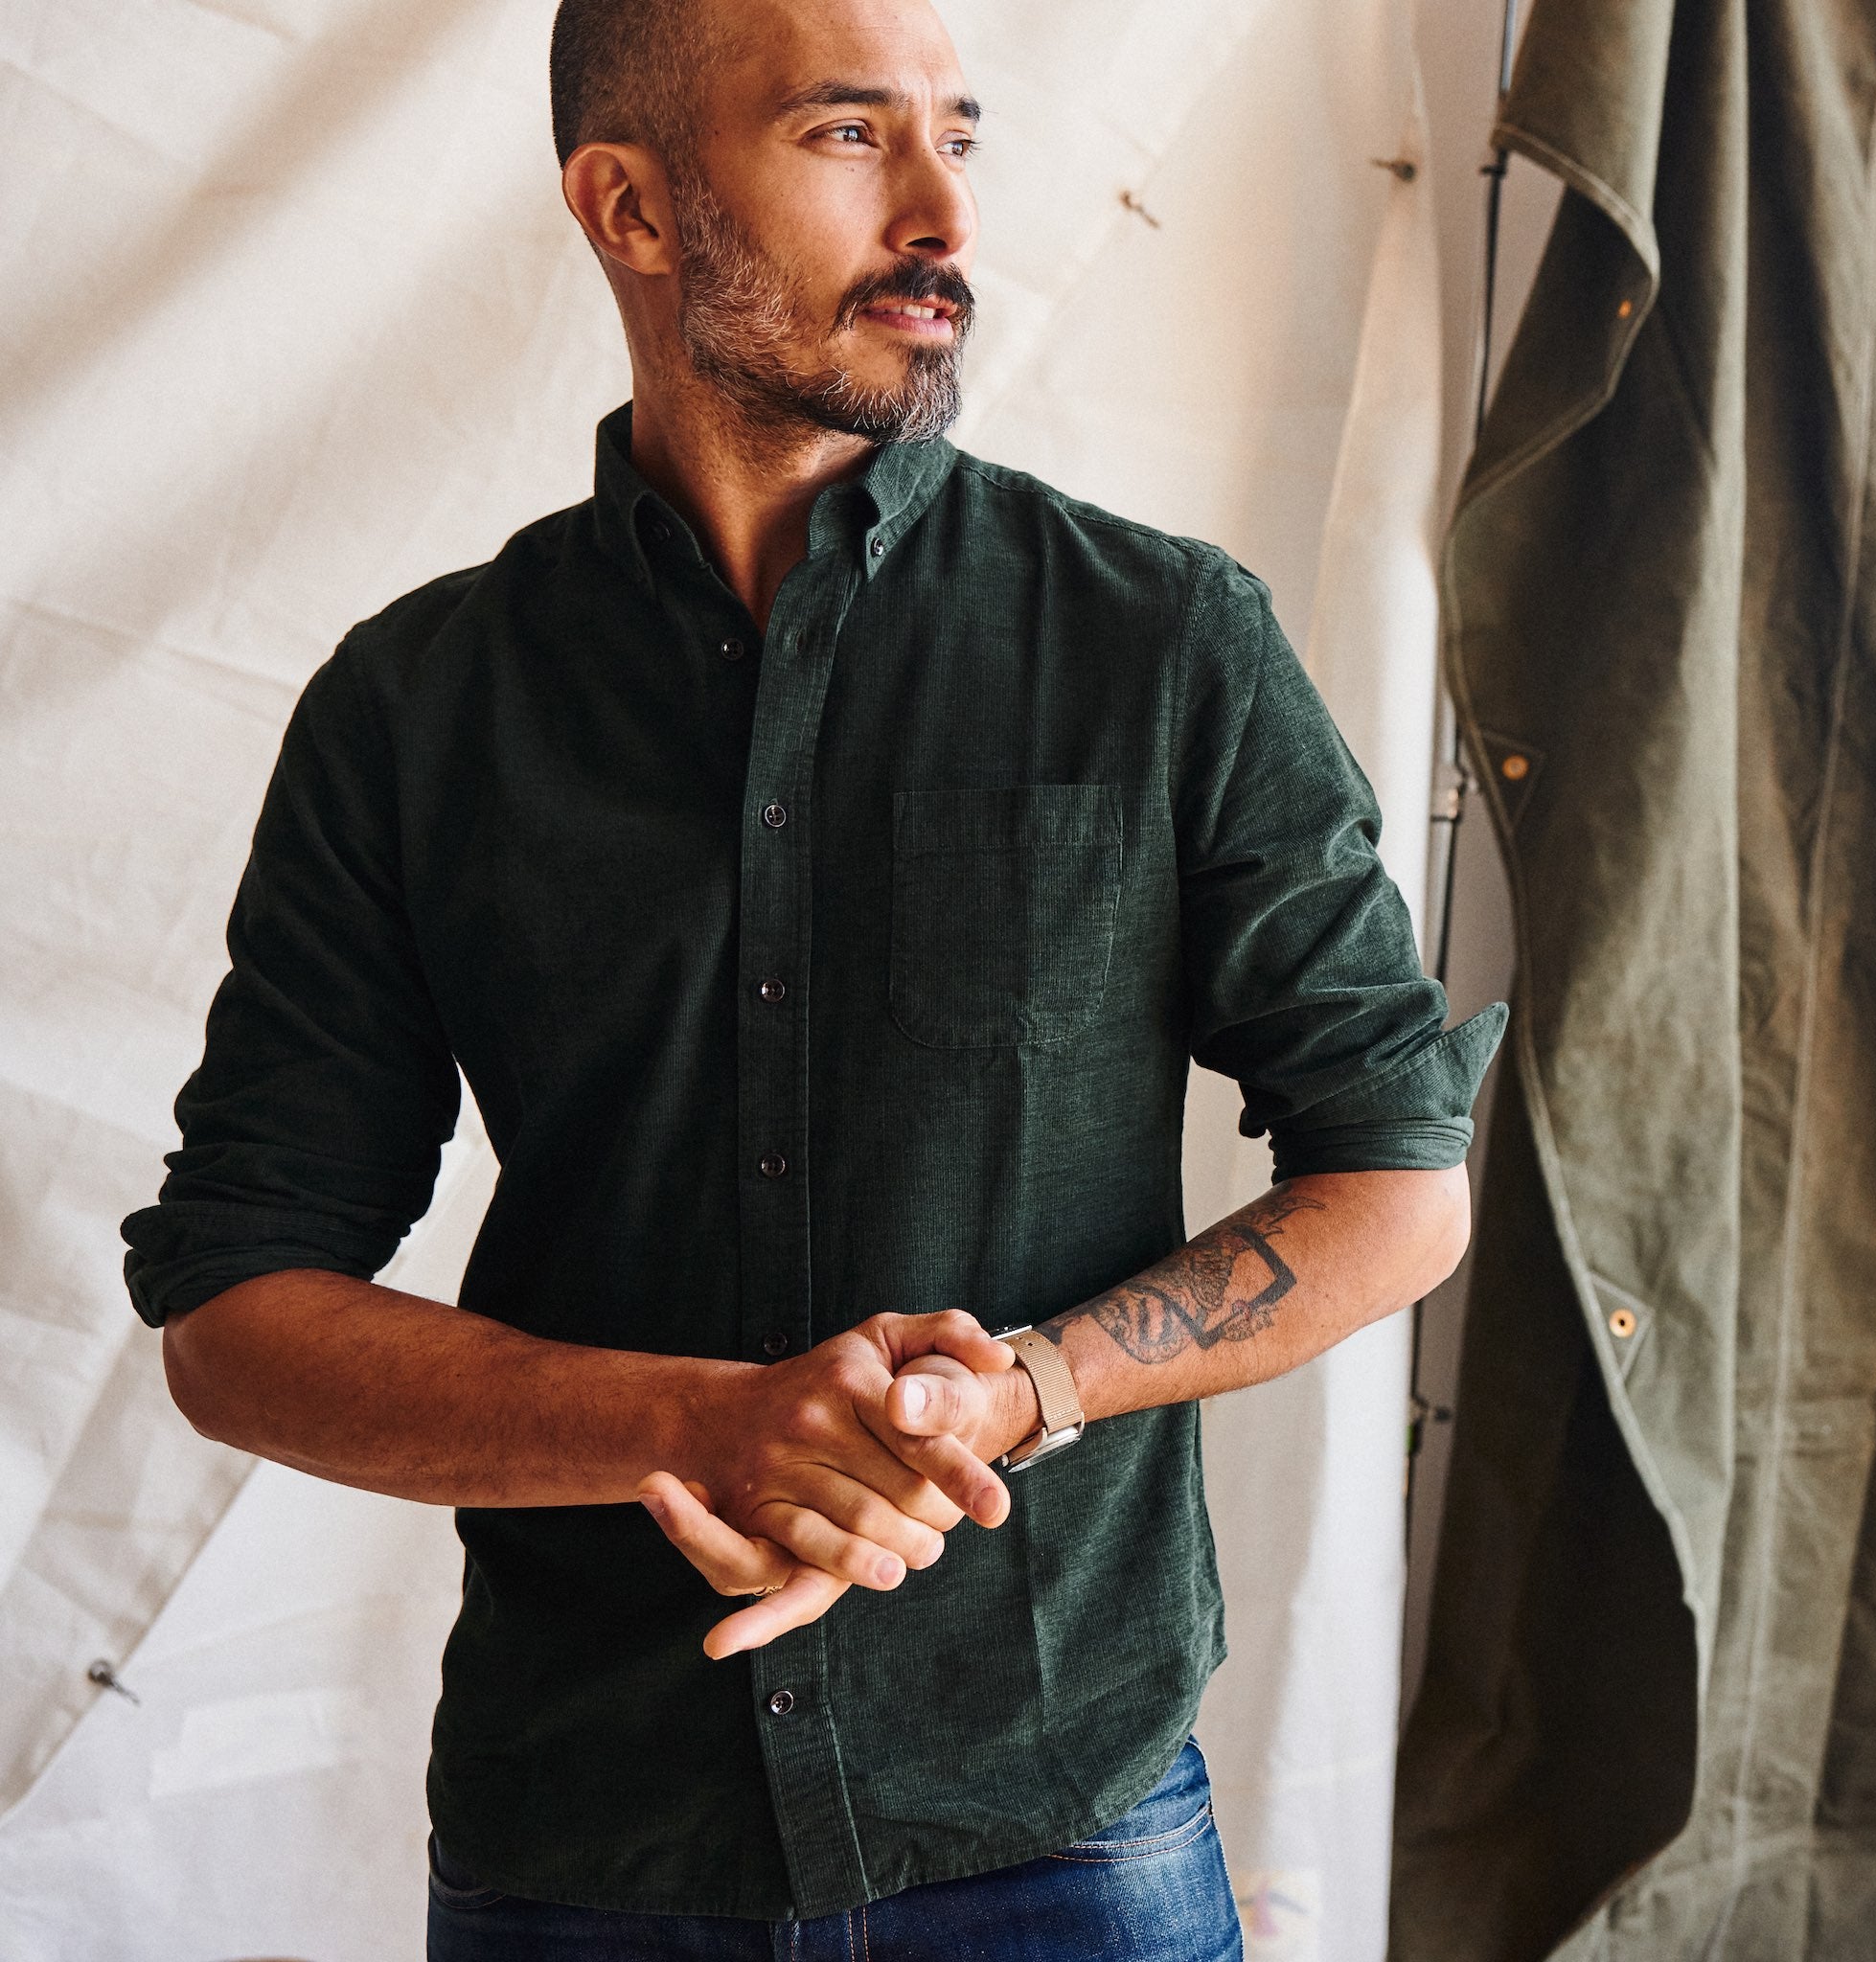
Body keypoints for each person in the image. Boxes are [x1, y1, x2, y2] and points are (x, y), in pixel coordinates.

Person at [122, 0, 1505, 1954]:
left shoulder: (1165, 643)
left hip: (1062, 1831)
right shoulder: (418, 708)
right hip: (589, 1844)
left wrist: (1031, 1387)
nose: (944, 212)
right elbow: (234, 1310)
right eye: (851, 137)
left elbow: (1399, 1179)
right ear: (630, 206)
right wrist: (696, 1423)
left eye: (961, 136)